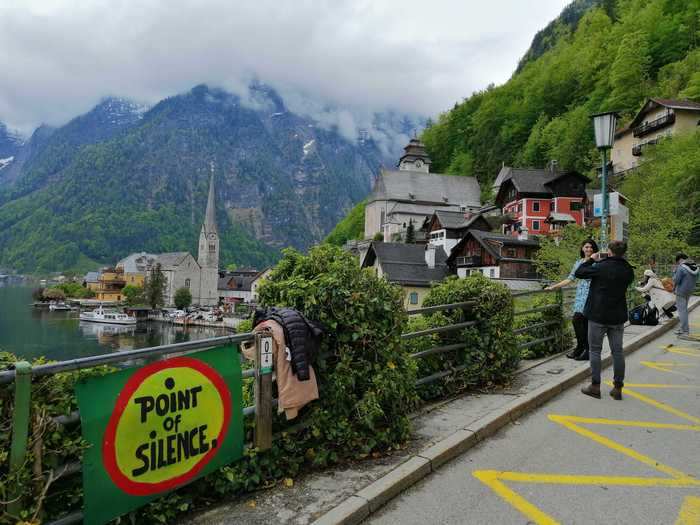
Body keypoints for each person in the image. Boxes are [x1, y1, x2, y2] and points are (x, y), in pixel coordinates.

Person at [575, 240, 635, 401]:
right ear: (623, 252)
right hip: (617, 316)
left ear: (609, 251)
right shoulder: (628, 269)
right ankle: (617, 388)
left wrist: (592, 259)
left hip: (597, 314)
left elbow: (579, 273)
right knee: (618, 352)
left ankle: (595, 386)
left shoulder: (600, 266)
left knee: (595, 350)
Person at [545, 239, 598, 361]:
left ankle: (582, 349)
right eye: (586, 247)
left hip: (591, 296)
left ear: (594, 249)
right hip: (580, 296)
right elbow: (570, 279)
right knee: (581, 323)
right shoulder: (578, 263)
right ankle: (583, 349)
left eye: (591, 247)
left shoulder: (596, 263)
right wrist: (554, 286)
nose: (589, 249)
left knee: (578, 321)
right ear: (582, 248)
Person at [673, 253, 699, 340]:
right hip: (690, 291)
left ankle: (685, 332)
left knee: (682, 311)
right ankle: (682, 329)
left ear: (679, 259)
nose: (677, 264)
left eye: (677, 262)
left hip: (681, 291)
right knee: (684, 310)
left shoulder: (681, 268)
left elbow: (676, 280)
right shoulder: (695, 266)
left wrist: (673, 288)